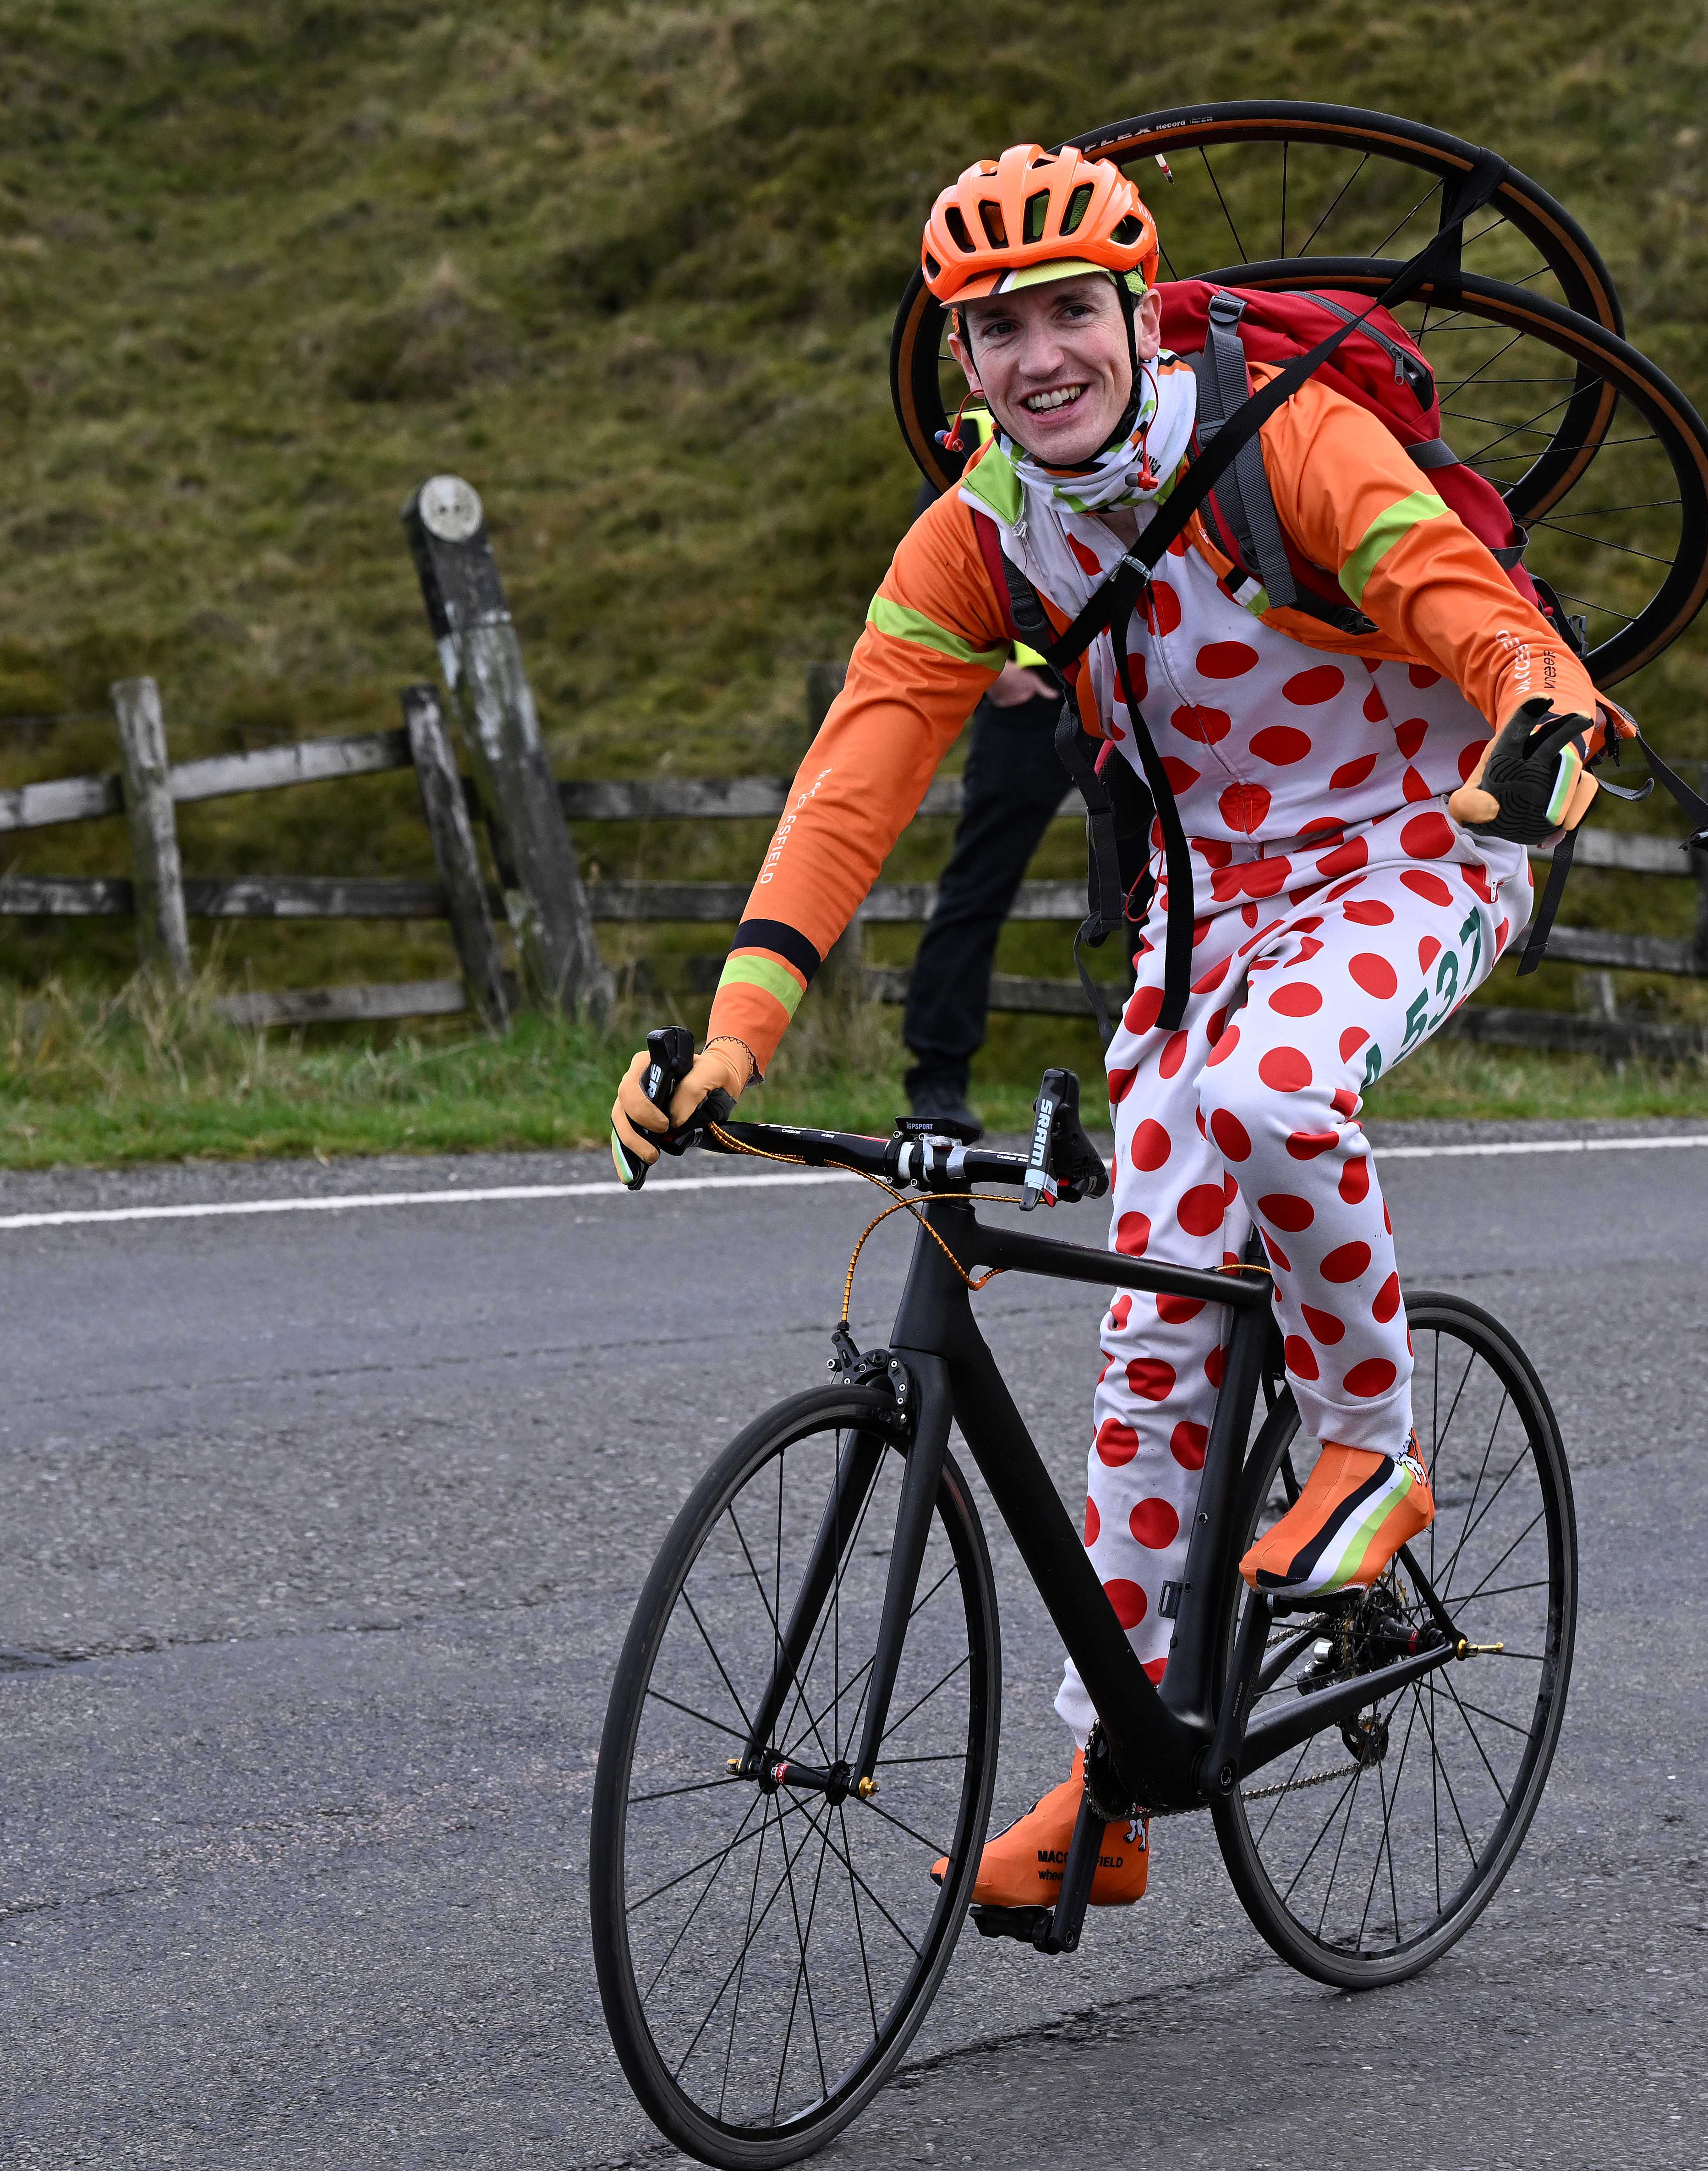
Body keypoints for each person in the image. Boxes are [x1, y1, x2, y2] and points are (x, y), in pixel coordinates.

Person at [608, 141, 1613, 1913]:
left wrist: (1536, 709)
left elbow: (1457, 596)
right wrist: (735, 1029)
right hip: (1203, 922)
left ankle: (1372, 1450)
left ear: (1138, 313)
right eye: (995, 330)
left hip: (1412, 853)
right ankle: (1116, 1772)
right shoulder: (979, 535)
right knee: (1150, 1356)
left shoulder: (1281, 439)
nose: (1037, 356)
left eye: (1069, 312)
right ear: (957, 358)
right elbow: (856, 777)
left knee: (1273, 1086)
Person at [898, 657, 1073, 1140]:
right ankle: (937, 1080)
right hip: (1031, 697)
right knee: (975, 891)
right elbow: (950, 585)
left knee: (1151, 891)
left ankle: (1167, 1073)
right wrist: (996, 674)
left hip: (1126, 693)